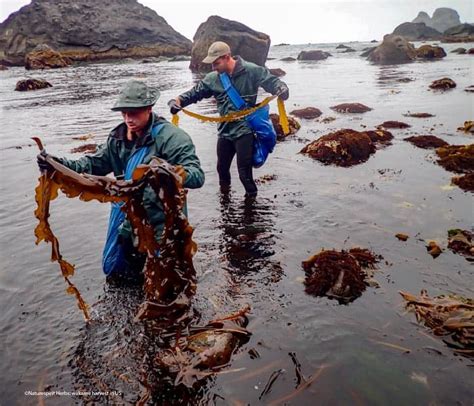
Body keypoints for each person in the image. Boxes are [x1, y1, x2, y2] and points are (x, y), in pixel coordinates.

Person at [37, 80, 205, 281]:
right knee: (118, 272)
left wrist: (171, 172)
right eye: (124, 113)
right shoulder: (117, 139)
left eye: (133, 112)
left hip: (163, 220)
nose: (128, 119)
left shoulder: (172, 138)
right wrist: (56, 163)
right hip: (129, 216)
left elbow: (197, 176)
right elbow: (91, 164)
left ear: (149, 109)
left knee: (168, 276)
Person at [168, 41, 289, 198]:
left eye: (216, 63)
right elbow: (194, 93)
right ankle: (225, 205)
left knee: (244, 173)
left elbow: (272, 81)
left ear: (227, 57)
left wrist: (282, 88)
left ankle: (251, 210)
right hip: (225, 132)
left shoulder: (252, 70)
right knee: (222, 169)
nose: (213, 68)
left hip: (244, 131)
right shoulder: (213, 79)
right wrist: (176, 101)